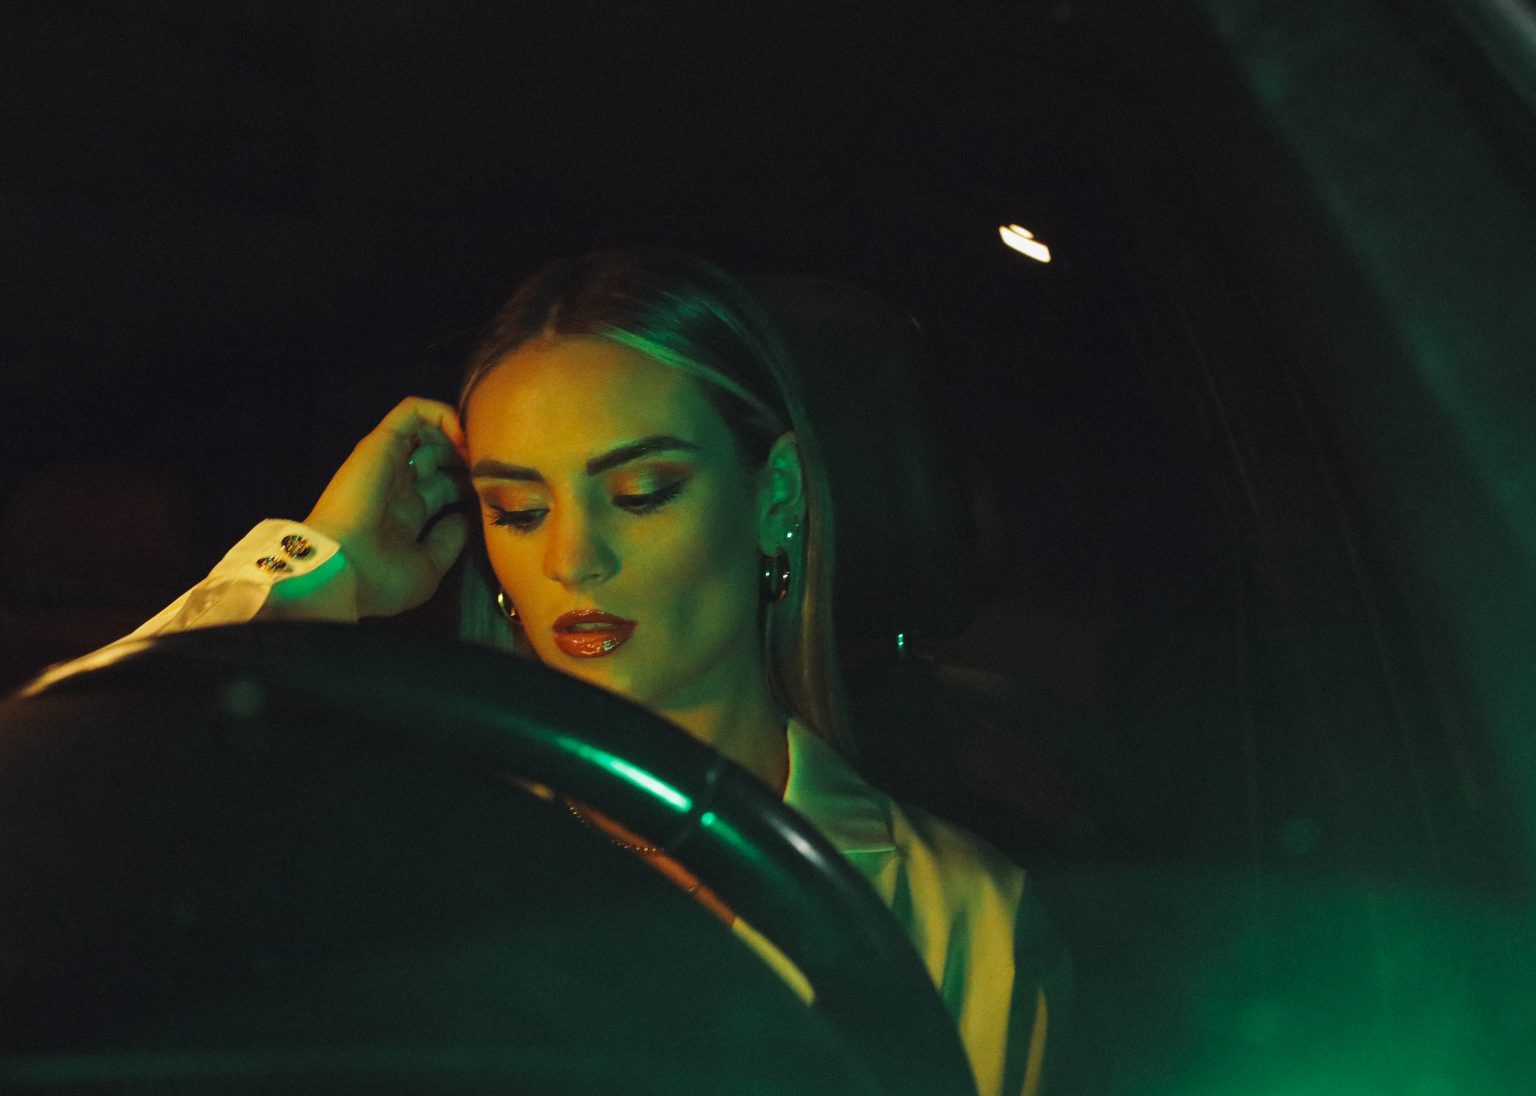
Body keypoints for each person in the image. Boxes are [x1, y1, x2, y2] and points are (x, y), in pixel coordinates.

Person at [34, 249, 1068, 1096]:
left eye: (643, 491)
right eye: (518, 510)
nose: (574, 559)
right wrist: (318, 572)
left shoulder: (957, 913)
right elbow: (55, 821)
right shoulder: (389, 845)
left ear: (776, 497)